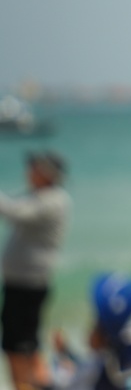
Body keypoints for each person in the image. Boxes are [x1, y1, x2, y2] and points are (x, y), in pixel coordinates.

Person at [1, 150, 71, 390]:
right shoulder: (41, 196)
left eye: (36, 169)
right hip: (22, 282)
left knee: (18, 344)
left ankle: (26, 385)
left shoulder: (53, 200)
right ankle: (37, 384)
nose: (30, 173)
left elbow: (13, 212)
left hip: (28, 283)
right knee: (26, 341)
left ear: (48, 174)